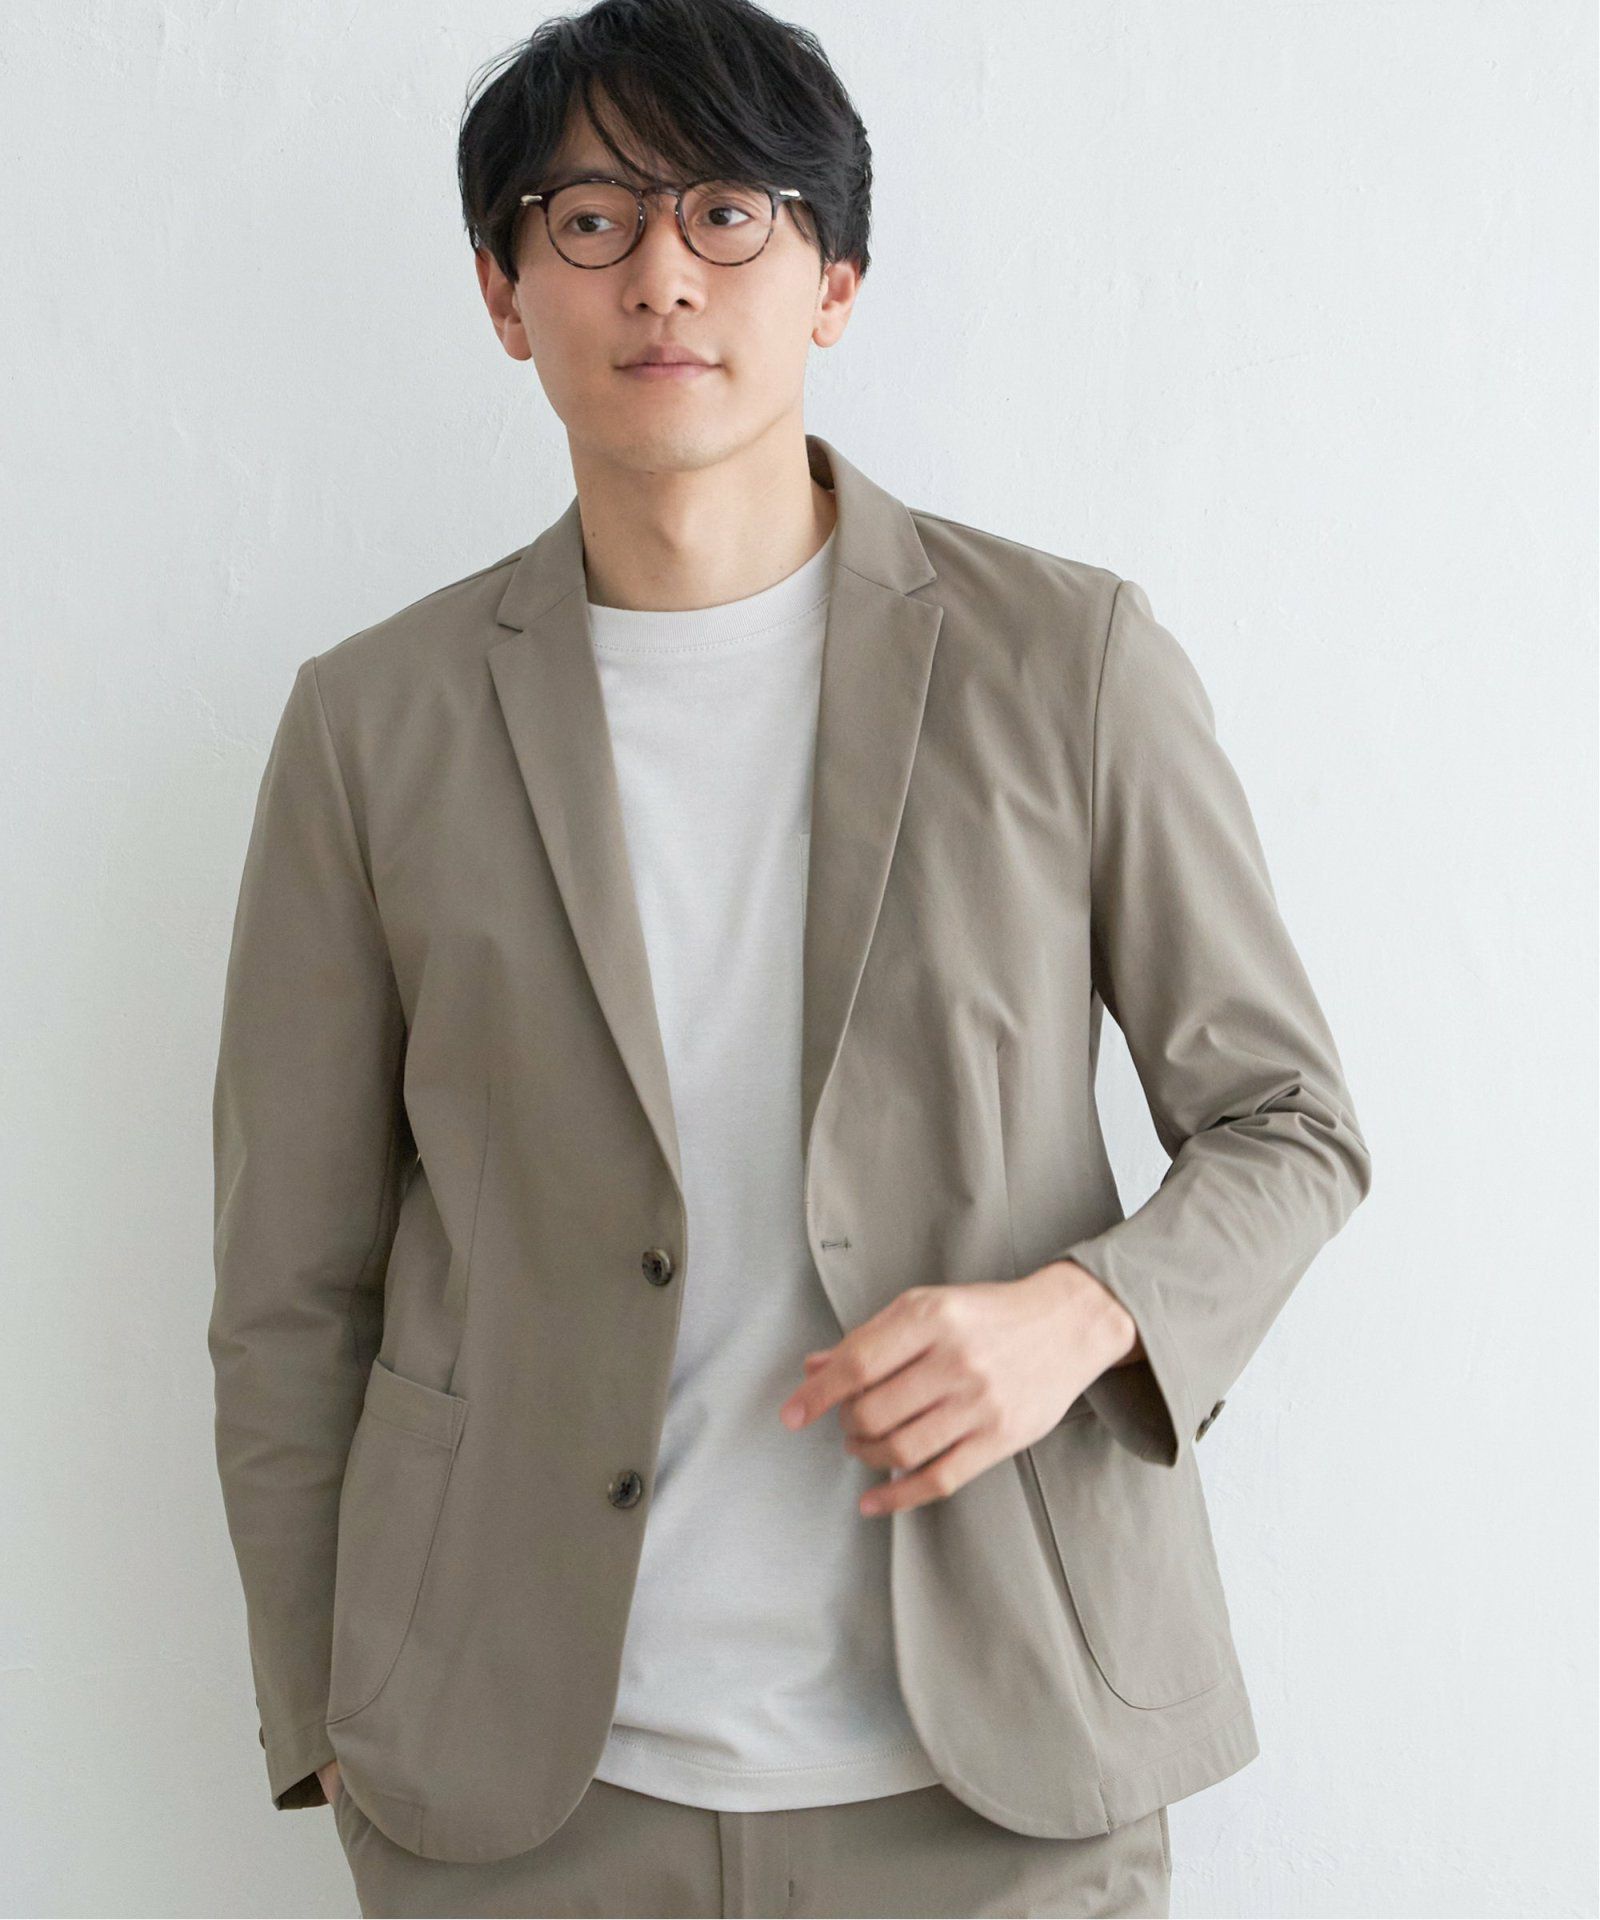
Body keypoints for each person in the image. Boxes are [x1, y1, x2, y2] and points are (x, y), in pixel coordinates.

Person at [208, 2, 1372, 1914]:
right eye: (590, 219)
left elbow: (1289, 1121)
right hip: (520, 1791)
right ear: (505, 294)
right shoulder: (371, 725)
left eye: (728, 210)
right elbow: (289, 1280)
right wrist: (326, 1706)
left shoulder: (1065, 660)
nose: (662, 274)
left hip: (999, 1774)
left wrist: (1084, 1313)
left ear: (835, 280)